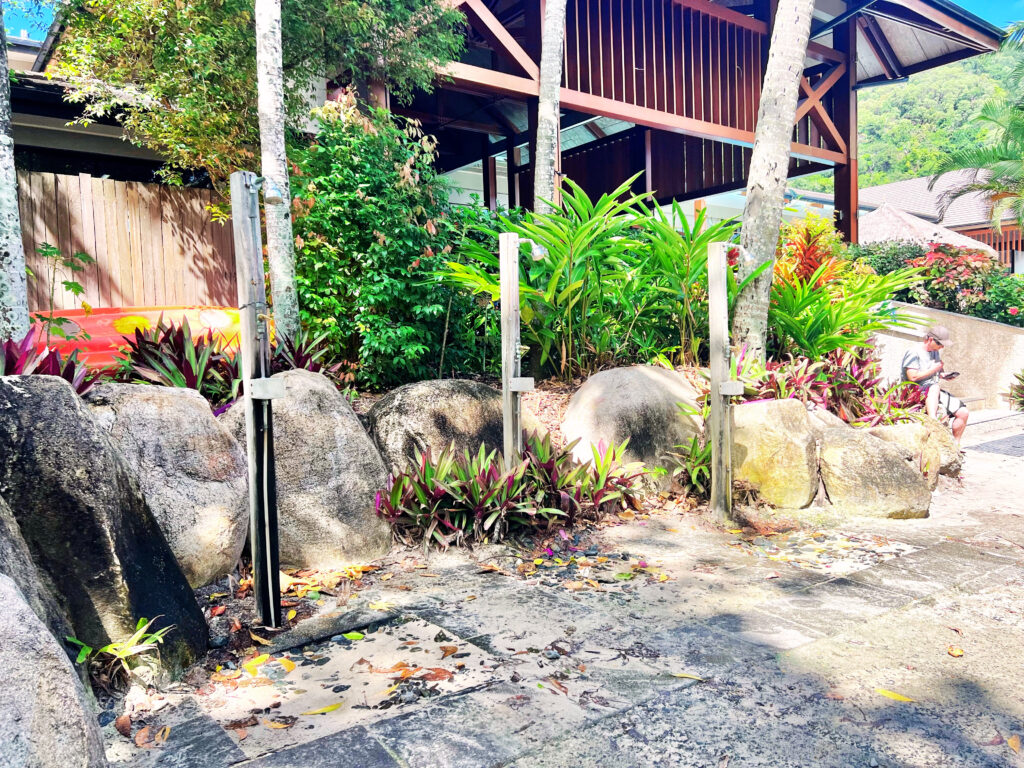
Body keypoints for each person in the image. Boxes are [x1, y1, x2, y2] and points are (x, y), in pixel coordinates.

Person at [901, 325, 969, 443]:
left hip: (933, 389)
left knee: (963, 413)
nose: (942, 347)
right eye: (940, 344)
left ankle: (956, 444)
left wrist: (943, 375)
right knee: (935, 387)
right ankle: (933, 420)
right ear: (931, 340)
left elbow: (935, 371)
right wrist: (934, 369)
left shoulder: (935, 352)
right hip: (917, 390)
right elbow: (912, 377)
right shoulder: (913, 352)